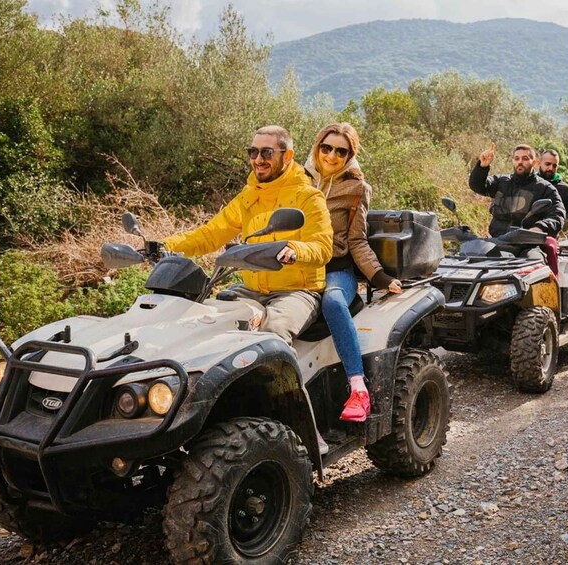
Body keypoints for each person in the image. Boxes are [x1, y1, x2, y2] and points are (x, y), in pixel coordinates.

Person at [162, 125, 333, 344]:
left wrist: (294, 250)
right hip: (251, 290)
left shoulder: (308, 197)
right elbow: (209, 234)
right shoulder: (248, 196)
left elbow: (322, 247)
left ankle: (279, 379)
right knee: (202, 321)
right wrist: (163, 246)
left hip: (296, 292)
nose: (258, 159)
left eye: (267, 153)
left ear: (287, 156)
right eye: (253, 152)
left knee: (272, 335)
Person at [304, 122, 401, 424]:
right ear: (317, 147)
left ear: (349, 155)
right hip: (300, 269)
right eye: (326, 148)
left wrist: (380, 277)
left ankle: (358, 388)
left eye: (340, 151)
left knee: (332, 302)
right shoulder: (298, 182)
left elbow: (357, 239)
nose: (331, 155)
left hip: (337, 269)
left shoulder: (357, 188)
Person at [469, 143, 566, 242]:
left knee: (535, 257)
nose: (520, 162)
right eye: (516, 158)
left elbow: (558, 214)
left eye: (525, 158)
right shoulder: (501, 182)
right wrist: (482, 166)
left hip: (527, 244)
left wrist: (540, 228)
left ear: (534, 162)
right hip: (496, 242)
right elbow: (477, 186)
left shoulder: (545, 188)